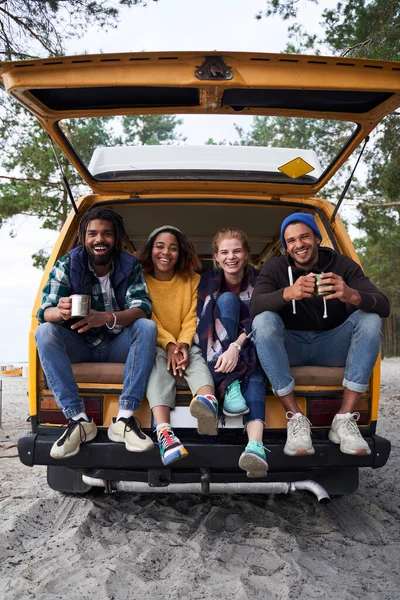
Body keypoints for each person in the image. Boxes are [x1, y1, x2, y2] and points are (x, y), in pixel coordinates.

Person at [250, 212, 390, 457]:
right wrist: (288, 293)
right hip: (291, 347)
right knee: (263, 320)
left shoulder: (343, 265)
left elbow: (384, 305)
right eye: (291, 240)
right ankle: (295, 418)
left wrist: (351, 295)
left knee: (369, 317)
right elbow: (255, 307)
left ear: (316, 238)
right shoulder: (276, 267)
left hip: (331, 346)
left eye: (304, 237)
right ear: (285, 247)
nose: (299, 244)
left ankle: (344, 419)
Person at [35, 207, 157, 459]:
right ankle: (78, 420)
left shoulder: (129, 264)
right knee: (45, 331)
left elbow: (142, 308)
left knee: (147, 326)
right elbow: (44, 311)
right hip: (79, 344)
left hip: (117, 344)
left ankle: (123, 420)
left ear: (117, 238)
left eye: (106, 233)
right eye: (92, 233)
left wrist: (107, 318)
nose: (99, 239)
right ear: (83, 236)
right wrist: (61, 311)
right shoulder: (69, 262)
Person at [139, 225, 218, 466]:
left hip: (186, 341)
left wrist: (182, 344)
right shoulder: (140, 280)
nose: (166, 253)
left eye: (173, 248)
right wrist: (170, 344)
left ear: (180, 252)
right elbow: (147, 316)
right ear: (150, 250)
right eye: (160, 246)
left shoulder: (193, 280)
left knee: (197, 358)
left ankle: (207, 405)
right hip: (156, 342)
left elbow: (192, 316)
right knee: (158, 366)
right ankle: (164, 433)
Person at [196, 228, 269, 478]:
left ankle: (255, 446)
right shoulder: (208, 281)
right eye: (224, 252)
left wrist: (236, 347)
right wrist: (227, 351)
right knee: (227, 301)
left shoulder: (261, 280)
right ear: (216, 256)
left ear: (246, 253)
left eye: (237, 250)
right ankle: (232, 384)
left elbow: (261, 320)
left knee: (256, 362)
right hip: (215, 346)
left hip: (252, 342)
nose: (231, 257)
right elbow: (203, 323)